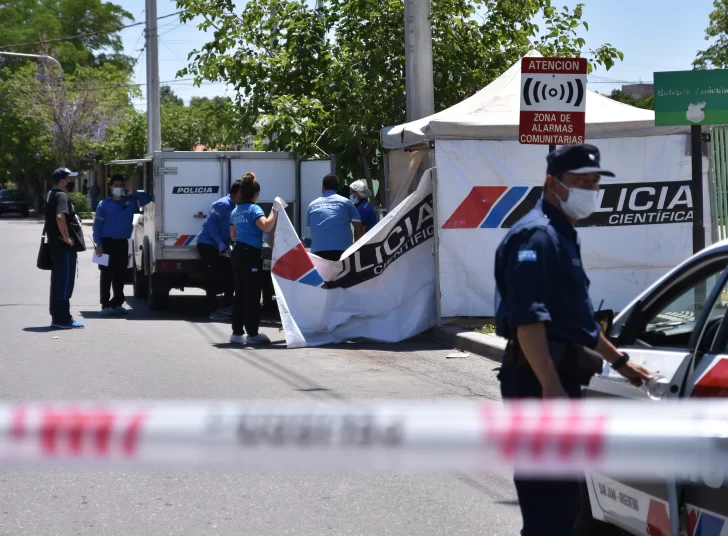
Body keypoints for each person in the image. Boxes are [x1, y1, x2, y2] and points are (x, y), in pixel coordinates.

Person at [494, 144, 652, 536]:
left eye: (594, 182)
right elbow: (529, 321)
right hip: (537, 382)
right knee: (548, 506)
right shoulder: (536, 236)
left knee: (564, 503)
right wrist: (550, 387)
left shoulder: (562, 234)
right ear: (553, 184)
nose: (590, 189)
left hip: (560, 377)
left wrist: (621, 363)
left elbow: (579, 322)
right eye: (580, 182)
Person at [229, 172, 278, 345]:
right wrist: (275, 210)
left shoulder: (235, 211)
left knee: (240, 293)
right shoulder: (254, 209)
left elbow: (233, 236)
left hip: (237, 253)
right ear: (255, 194)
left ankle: (236, 333)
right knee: (252, 294)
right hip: (251, 254)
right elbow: (266, 226)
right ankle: (252, 333)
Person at [93, 174, 152, 315]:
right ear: (110, 187)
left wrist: (134, 193)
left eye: (120, 185)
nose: (118, 188)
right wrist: (98, 244)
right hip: (107, 243)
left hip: (122, 243)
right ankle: (105, 304)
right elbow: (97, 225)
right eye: (116, 185)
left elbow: (148, 199)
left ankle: (117, 303)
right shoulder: (103, 204)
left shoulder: (130, 202)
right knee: (106, 274)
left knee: (120, 274)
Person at [45, 167, 86, 329]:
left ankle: (57, 317)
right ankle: (63, 319)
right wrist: (67, 237)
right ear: (62, 181)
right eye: (70, 179)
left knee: (58, 283)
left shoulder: (51, 194)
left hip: (56, 247)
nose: (72, 181)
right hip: (64, 248)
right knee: (65, 283)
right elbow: (60, 216)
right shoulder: (61, 196)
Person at [196, 181, 242, 320]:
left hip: (221, 245)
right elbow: (210, 224)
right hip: (208, 244)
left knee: (230, 274)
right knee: (213, 276)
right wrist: (219, 241)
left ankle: (227, 306)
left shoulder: (235, 206)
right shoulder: (223, 204)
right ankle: (213, 311)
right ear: (236, 194)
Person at [306, 173, 362, 261]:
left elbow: (311, 226)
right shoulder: (347, 203)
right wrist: (356, 248)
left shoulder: (312, 205)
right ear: (337, 188)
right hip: (343, 251)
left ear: (323, 187)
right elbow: (358, 227)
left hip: (318, 251)